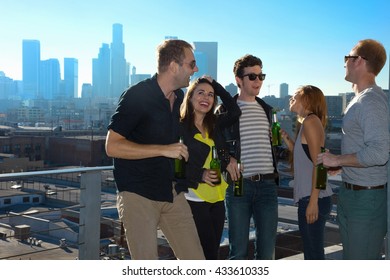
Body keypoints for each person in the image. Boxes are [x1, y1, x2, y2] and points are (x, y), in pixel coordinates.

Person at [105, 39, 205, 260]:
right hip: (138, 196)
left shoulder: (180, 99)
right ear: (173, 66)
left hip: (173, 193)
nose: (196, 69)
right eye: (191, 64)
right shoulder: (137, 96)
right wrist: (163, 149)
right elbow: (112, 146)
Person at [319, 39, 389, 260]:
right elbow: (363, 147)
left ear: (359, 60)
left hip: (366, 200)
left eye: (347, 58)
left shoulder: (371, 102)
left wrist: (338, 160)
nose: (344, 63)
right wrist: (342, 166)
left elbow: (379, 152)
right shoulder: (359, 99)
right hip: (353, 193)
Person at [218, 54, 279, 260]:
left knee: (267, 252)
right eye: (252, 76)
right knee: (239, 252)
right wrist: (227, 159)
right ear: (238, 80)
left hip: (268, 187)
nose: (258, 81)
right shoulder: (225, 111)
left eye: (261, 76)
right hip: (239, 186)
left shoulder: (267, 110)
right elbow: (216, 144)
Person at [178, 76, 241, 259]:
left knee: (212, 251)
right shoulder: (181, 127)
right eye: (200, 93)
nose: (206, 98)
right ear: (190, 97)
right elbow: (175, 164)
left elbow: (235, 111)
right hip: (194, 197)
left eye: (210, 95)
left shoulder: (214, 124)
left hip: (218, 196)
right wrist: (200, 174)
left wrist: (217, 87)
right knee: (203, 254)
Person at [281, 85, 333, 259]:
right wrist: (287, 139)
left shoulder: (311, 122)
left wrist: (313, 201)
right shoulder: (308, 123)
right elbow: (306, 158)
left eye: (296, 95)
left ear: (307, 99)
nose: (291, 98)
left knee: (313, 254)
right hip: (310, 197)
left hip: (313, 198)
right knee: (312, 251)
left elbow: (320, 165)